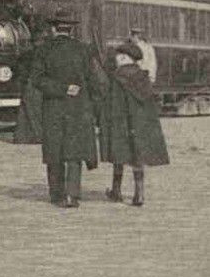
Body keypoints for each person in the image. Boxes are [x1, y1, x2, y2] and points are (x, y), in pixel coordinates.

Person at [27, 16, 103, 208]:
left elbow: (37, 80)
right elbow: (95, 80)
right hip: (78, 107)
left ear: (53, 29)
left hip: (53, 107)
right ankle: (72, 195)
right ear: (71, 30)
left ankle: (55, 194)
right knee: (74, 152)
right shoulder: (84, 50)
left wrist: (61, 88)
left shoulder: (43, 50)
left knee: (54, 150)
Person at [100, 42, 169, 206]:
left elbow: (113, 103)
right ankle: (139, 194)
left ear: (123, 57)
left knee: (119, 154)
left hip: (121, 122)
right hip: (140, 124)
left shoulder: (117, 78)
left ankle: (116, 190)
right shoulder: (143, 77)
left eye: (118, 56)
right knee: (137, 157)